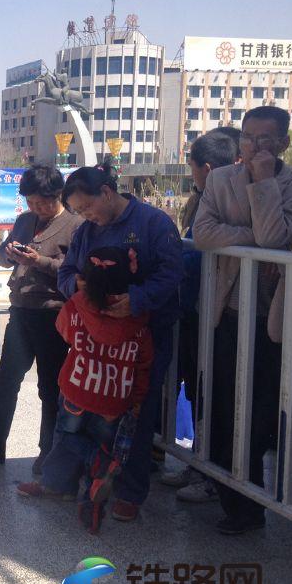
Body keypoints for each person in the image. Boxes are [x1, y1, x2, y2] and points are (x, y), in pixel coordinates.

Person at [193, 105, 292, 534]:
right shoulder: (220, 180)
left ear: (284, 143)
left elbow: (277, 238)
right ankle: (235, 500)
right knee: (223, 407)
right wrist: (255, 240)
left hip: (271, 318)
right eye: (248, 138)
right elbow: (204, 234)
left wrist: (263, 182)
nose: (255, 147)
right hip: (227, 309)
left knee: (259, 413)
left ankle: (253, 501)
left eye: (265, 139)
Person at [58, 162, 182, 523]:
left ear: (107, 192)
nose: (86, 216)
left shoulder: (153, 223)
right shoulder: (86, 232)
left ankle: (130, 491)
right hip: (95, 343)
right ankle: (86, 479)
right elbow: (66, 272)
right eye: (79, 212)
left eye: (87, 207)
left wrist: (137, 300)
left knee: (136, 414)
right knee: (86, 413)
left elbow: (172, 273)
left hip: (142, 338)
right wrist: (77, 286)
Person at [17, 247, 153, 534]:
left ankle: (71, 477)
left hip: (78, 390)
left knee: (67, 436)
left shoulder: (78, 305)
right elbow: (144, 362)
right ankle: (92, 499)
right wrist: (138, 399)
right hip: (115, 399)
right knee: (102, 441)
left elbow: (63, 330)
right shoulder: (138, 316)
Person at [0, 165, 82, 471]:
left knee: (50, 387)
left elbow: (74, 270)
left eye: (41, 203)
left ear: (57, 195)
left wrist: (39, 261)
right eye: (31, 202)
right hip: (21, 310)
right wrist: (7, 253)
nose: (36, 208)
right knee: (6, 382)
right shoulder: (24, 221)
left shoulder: (75, 225)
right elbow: (0, 255)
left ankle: (48, 451)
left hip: (52, 312)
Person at [160, 130, 239, 502]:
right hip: (195, 311)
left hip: (221, 314)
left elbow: (196, 253)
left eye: (191, 167)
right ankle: (200, 464)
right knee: (197, 391)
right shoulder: (202, 200)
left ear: (205, 168)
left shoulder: (228, 202)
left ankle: (217, 476)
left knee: (220, 399)